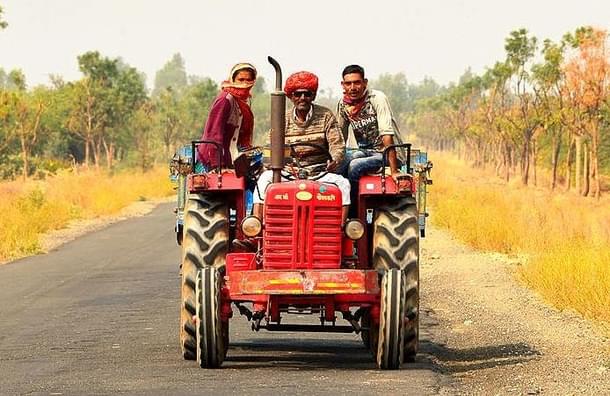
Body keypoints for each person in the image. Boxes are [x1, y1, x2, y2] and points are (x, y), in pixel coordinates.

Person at [252, 71, 350, 223]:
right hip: (290, 173)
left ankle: (341, 229)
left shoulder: (325, 115)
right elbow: (271, 149)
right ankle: (256, 227)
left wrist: (335, 160)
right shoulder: (282, 118)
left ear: (313, 96)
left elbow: (337, 146)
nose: (303, 98)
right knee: (263, 180)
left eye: (307, 94)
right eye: (298, 94)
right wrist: (278, 164)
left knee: (344, 184)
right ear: (291, 97)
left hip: (318, 173)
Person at [336, 64, 405, 203]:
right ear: (343, 85)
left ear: (365, 83)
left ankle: (354, 207)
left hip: (387, 154)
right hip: (365, 152)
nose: (352, 87)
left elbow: (386, 133)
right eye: (348, 83)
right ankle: (336, 203)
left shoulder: (376, 98)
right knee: (346, 159)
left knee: (355, 166)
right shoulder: (343, 105)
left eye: (357, 82)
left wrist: (394, 171)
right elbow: (339, 138)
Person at [197, 62, 257, 170]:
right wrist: (218, 165)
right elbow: (213, 134)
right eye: (241, 79)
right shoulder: (225, 100)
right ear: (233, 80)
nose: (245, 83)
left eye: (248, 80)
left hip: (231, 157)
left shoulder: (243, 103)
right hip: (213, 161)